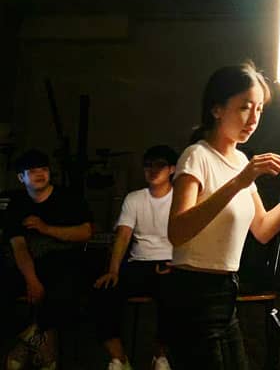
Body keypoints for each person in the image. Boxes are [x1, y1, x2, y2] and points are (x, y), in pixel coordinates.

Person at [162, 61, 280, 370]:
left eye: (259, 109)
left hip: (226, 291)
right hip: (193, 292)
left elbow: (262, 229)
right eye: (245, 107)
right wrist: (239, 182)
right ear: (217, 109)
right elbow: (177, 231)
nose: (253, 118)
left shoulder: (242, 160)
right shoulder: (197, 156)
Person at [1, 149, 93, 370]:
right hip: (28, 263)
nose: (40, 174)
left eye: (43, 169)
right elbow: (18, 246)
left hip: (64, 261)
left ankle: (37, 341)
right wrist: (31, 279)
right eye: (32, 171)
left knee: (66, 285)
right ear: (21, 177)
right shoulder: (16, 203)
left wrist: (46, 228)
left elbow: (86, 232)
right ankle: (35, 338)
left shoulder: (68, 198)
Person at [92, 145, 179, 370]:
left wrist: (178, 263)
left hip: (171, 263)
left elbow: (191, 234)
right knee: (104, 292)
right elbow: (123, 236)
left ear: (171, 169)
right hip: (139, 263)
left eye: (159, 165)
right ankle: (119, 358)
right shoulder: (135, 198)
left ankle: (160, 356)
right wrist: (113, 270)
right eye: (148, 165)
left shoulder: (181, 197)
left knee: (174, 294)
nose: (152, 170)